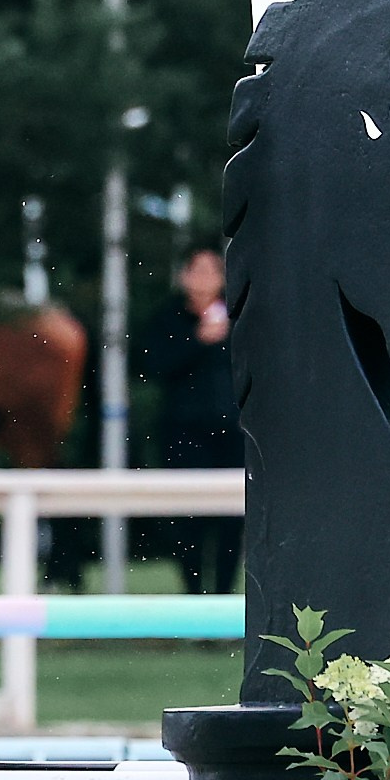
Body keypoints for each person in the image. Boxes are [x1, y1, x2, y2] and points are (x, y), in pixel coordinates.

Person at [136, 245, 242, 595]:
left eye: (212, 272)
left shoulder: (240, 318)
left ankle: (225, 604)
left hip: (232, 435)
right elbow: (152, 365)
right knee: (188, 522)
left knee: (231, 522)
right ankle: (194, 597)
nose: (203, 280)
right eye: (196, 271)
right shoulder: (167, 319)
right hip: (185, 434)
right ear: (183, 276)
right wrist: (197, 341)